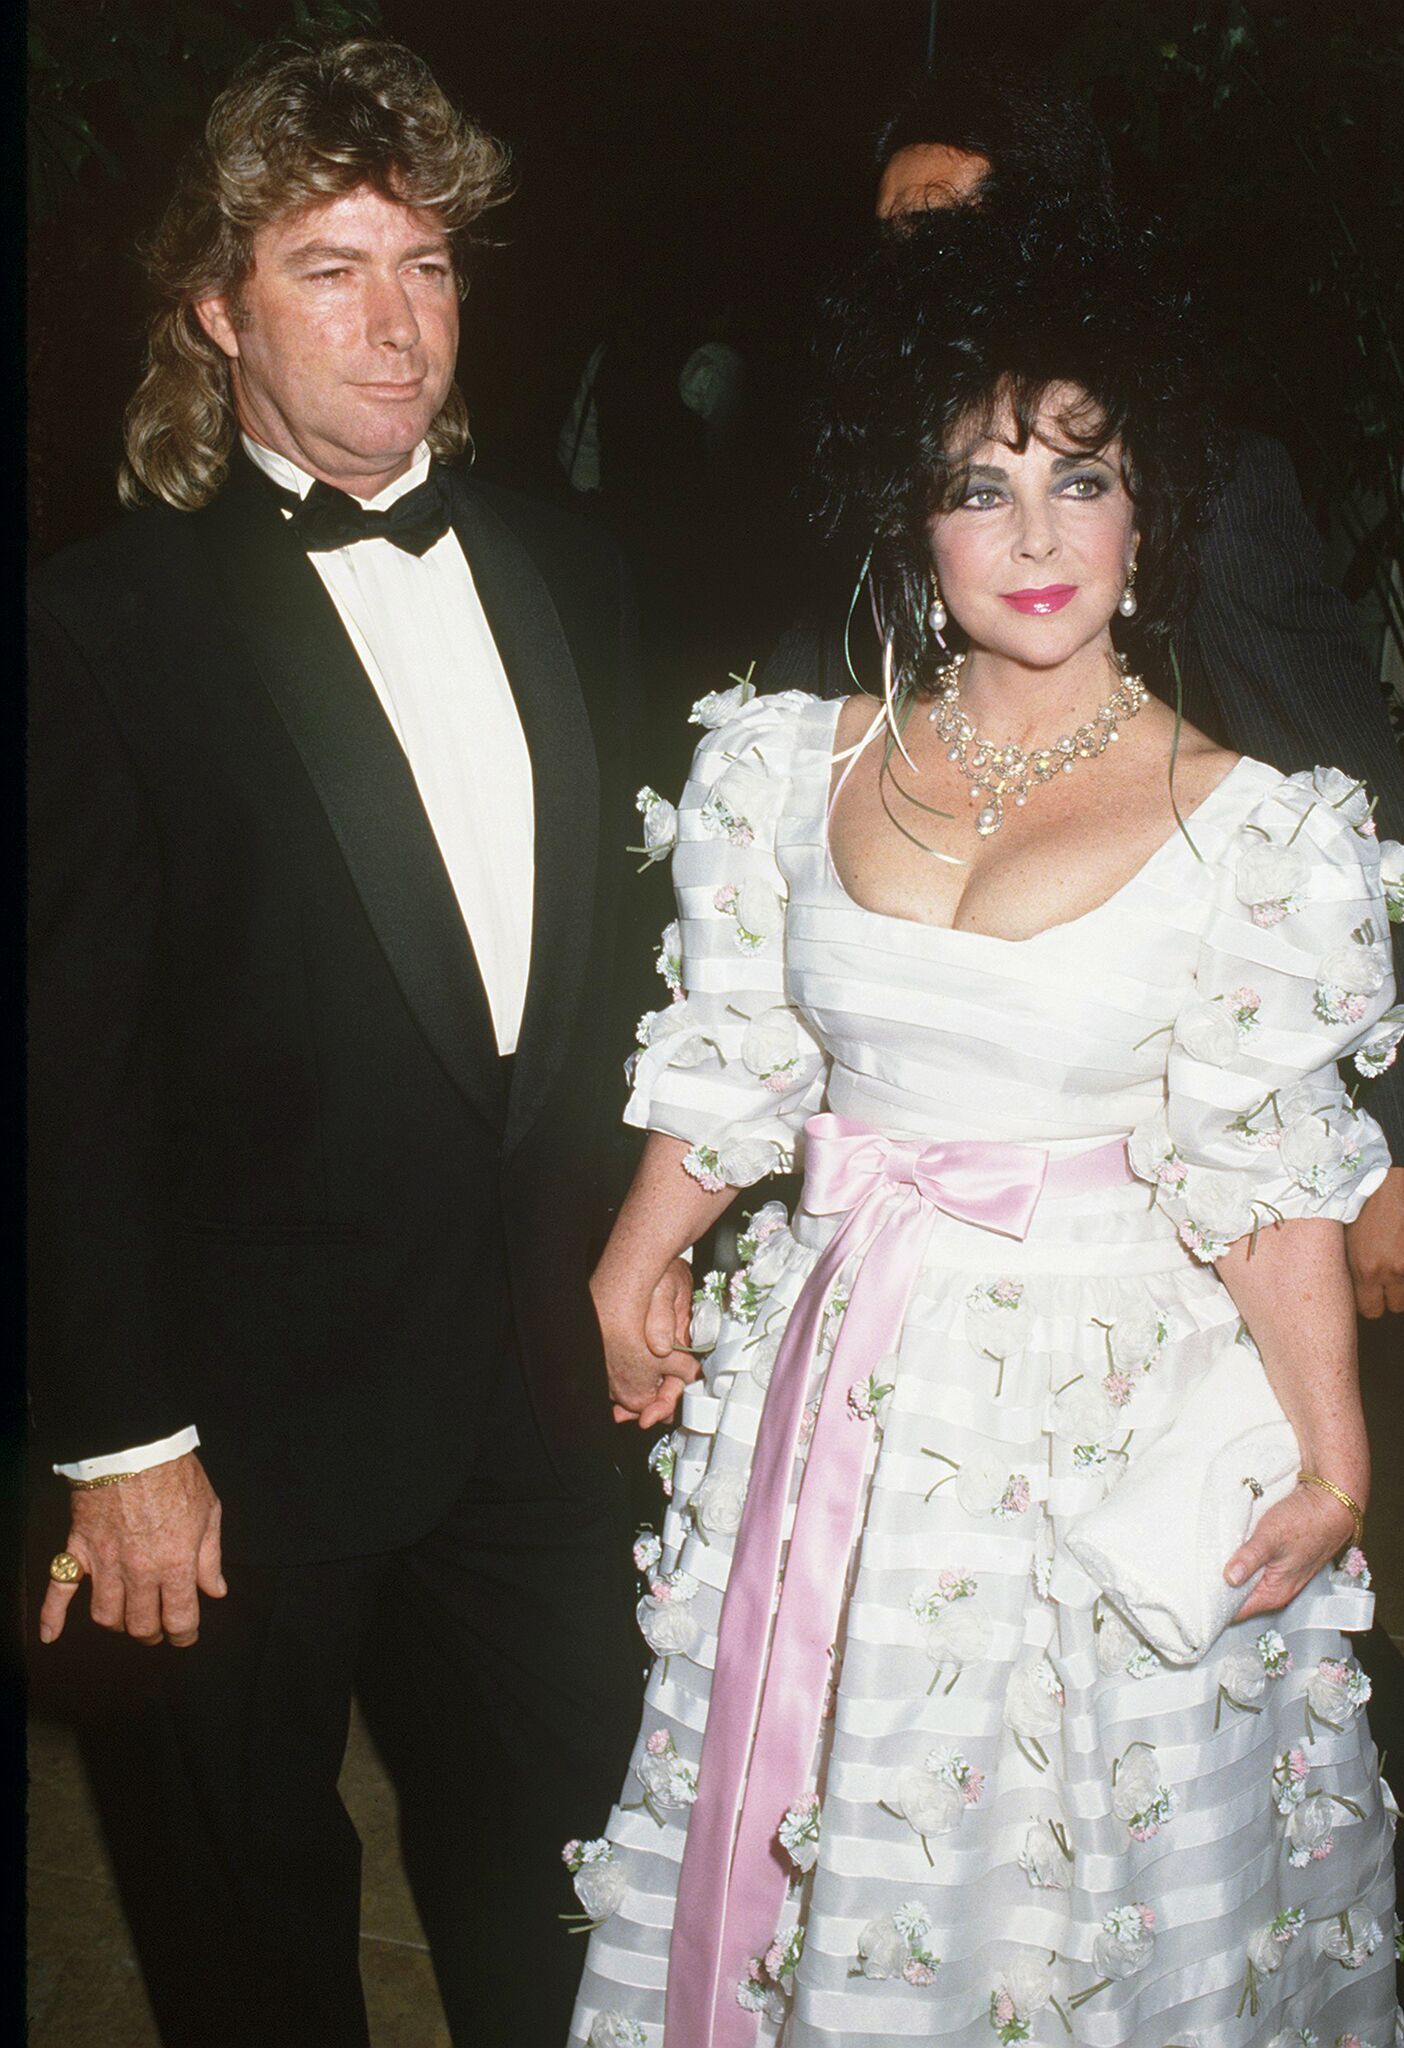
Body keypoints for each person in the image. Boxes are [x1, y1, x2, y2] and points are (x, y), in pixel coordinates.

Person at [566, 220, 1404, 2046]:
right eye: (980, 485)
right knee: (811, 1799)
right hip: (830, 1384)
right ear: (912, 519)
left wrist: (1336, 1465)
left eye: (1080, 476)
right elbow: (742, 1056)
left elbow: (1266, 1187)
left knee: (1058, 1875)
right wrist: (639, 1253)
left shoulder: (1252, 830)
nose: (1035, 536)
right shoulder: (789, 764)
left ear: (1145, 510)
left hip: (1097, 1409)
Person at [28, 35, 693, 2048]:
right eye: (331, 266)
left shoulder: (576, 572)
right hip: (237, 1429)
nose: (394, 318)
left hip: (538, 1390)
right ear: (216, 309)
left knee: (570, 1880)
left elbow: (636, 975)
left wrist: (655, 1255)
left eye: (426, 263)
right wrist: (124, 1443)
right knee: (248, 1916)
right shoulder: (101, 627)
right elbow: (63, 1071)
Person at [762, 60, 1404, 1322]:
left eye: (957, 227)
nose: (927, 267)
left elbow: (1360, 803)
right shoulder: (864, 512)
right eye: (899, 238)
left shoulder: (1206, 492)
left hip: (1157, 1176)